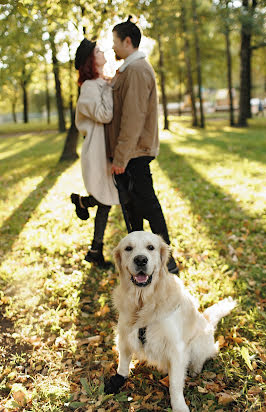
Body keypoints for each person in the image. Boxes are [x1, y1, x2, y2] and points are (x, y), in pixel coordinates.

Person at [105, 16, 179, 274]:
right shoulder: (128, 69)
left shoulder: (136, 70)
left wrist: (120, 157)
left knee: (147, 205)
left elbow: (133, 118)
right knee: (134, 208)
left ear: (127, 41)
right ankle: (142, 267)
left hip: (134, 153)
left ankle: (167, 265)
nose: (112, 47)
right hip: (131, 153)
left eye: (114, 42)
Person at [71, 38, 120, 268]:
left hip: (105, 150)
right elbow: (104, 115)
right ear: (91, 59)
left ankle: (94, 249)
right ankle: (95, 248)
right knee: (106, 198)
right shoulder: (90, 87)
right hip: (96, 152)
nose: (103, 51)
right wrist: (110, 89)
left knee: (106, 199)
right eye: (98, 50)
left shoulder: (101, 82)